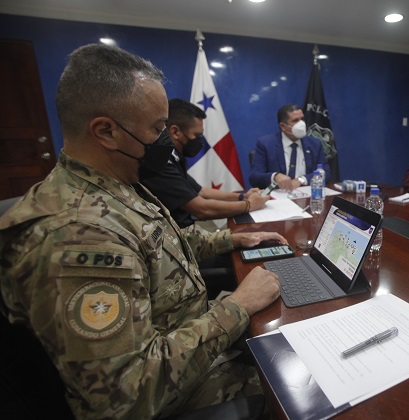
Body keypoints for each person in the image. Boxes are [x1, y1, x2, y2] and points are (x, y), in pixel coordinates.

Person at [0, 44, 286, 419]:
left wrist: (233, 238)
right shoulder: (78, 234)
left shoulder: (116, 183)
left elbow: (165, 243)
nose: (166, 140)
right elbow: (127, 396)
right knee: (306, 382)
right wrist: (238, 305)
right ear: (106, 131)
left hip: (193, 346)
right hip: (180, 393)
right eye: (156, 128)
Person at [142, 98, 269, 229]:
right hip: (171, 236)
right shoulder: (160, 163)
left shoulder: (176, 156)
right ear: (175, 132)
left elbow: (201, 191)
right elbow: (201, 209)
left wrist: (242, 196)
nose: (200, 141)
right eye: (197, 135)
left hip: (185, 229)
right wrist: (249, 205)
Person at [249, 103, 330, 190]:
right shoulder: (266, 144)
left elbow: (326, 173)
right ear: (283, 126)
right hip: (274, 194)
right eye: (295, 120)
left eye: (302, 119)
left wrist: (301, 180)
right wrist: (275, 176)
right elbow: (254, 178)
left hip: (305, 194)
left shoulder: (314, 144)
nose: (301, 124)